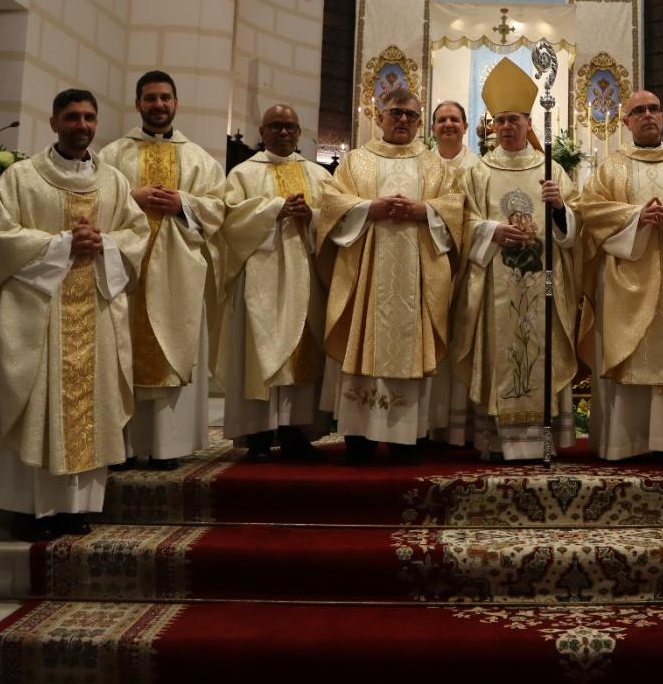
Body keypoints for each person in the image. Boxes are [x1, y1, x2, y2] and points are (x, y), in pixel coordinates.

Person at [0, 89, 149, 541]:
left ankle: (74, 508)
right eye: (72, 117)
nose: (81, 125)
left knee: (92, 406)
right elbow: (1, 239)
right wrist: (65, 244)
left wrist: (104, 243)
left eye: (88, 117)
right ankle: (27, 507)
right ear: (53, 122)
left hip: (97, 311)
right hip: (38, 315)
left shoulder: (114, 183)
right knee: (32, 402)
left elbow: (136, 233)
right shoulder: (22, 178)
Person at [315, 88, 462, 464]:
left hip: (417, 278)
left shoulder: (436, 166)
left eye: (411, 116)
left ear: (419, 122)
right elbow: (332, 203)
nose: (402, 120)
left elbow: (456, 210)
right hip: (367, 276)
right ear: (379, 117)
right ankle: (360, 436)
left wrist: (423, 212)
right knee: (362, 342)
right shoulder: (355, 162)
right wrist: (370, 208)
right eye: (395, 113)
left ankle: (405, 435)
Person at [576, 90, 663, 460]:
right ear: (626, 122)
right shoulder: (611, 167)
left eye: (654, 108)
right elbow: (589, 210)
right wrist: (635, 217)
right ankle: (627, 443)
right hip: (625, 280)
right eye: (638, 111)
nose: (648, 115)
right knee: (631, 353)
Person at [450, 59, 580, 460]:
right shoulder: (477, 171)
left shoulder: (551, 169)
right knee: (501, 354)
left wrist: (559, 208)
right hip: (495, 284)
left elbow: (575, 228)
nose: (507, 126)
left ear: (529, 123)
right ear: (492, 126)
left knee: (535, 349)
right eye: (500, 120)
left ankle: (541, 441)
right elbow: (461, 221)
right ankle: (495, 442)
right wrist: (491, 231)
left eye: (515, 119)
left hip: (543, 282)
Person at [98, 71, 223, 470]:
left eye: (165, 98)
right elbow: (92, 200)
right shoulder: (113, 156)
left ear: (176, 103)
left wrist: (183, 204)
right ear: (137, 104)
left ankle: (168, 446)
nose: (158, 105)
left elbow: (220, 210)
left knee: (171, 349)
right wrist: (129, 197)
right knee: (122, 352)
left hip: (176, 275)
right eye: (150, 98)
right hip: (126, 273)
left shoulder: (199, 158)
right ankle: (121, 445)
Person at [213, 104, 335, 462]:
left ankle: (295, 430)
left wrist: (311, 216)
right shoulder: (242, 174)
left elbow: (334, 221)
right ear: (262, 131)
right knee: (259, 350)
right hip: (261, 279)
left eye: (290, 127)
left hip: (305, 276)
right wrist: (273, 210)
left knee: (302, 350)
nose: (284, 133)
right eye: (276, 126)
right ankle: (259, 432)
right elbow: (230, 220)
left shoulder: (318, 175)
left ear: (300, 133)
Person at [430, 100, 478, 176]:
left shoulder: (478, 167)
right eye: (442, 120)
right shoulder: (421, 165)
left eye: (454, 119)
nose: (448, 124)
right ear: (433, 129)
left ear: (465, 127)